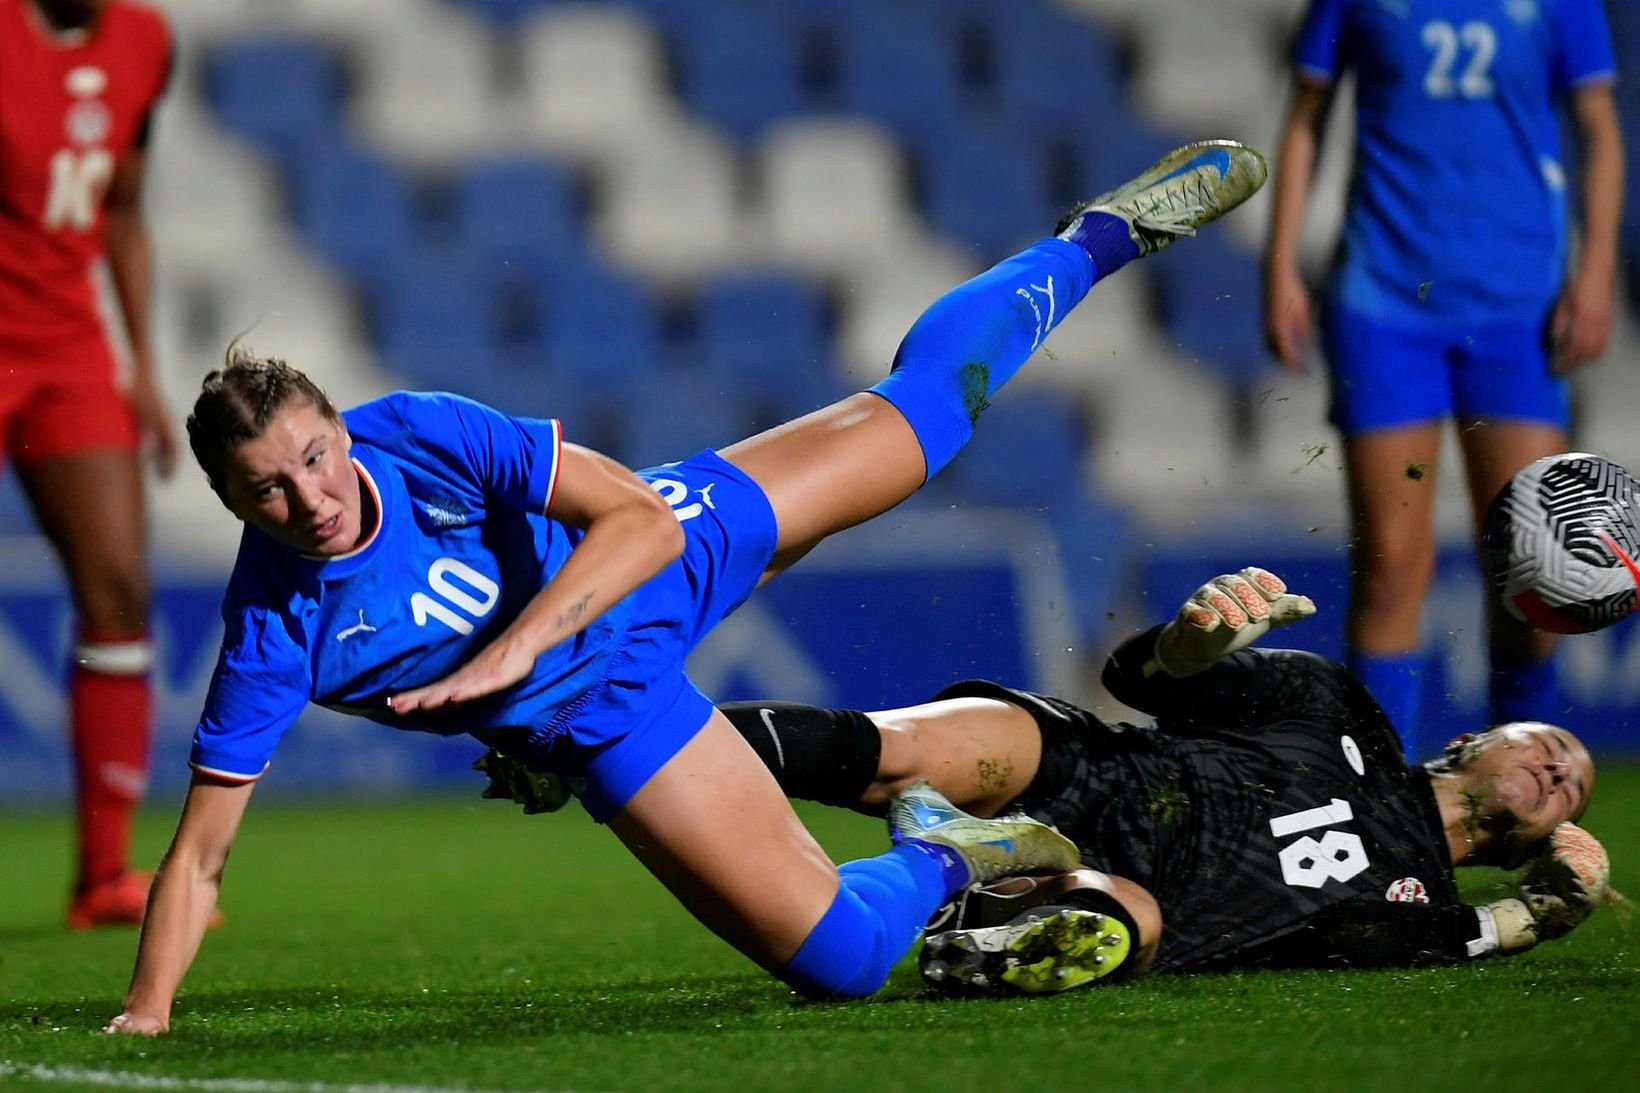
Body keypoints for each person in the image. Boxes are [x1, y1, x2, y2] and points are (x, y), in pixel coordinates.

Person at [102, 141, 1270, 1033]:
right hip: (602, 710)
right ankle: (951, 847)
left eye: (316, 457)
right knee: (847, 964)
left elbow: (636, 521)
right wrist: (146, 1013)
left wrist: (510, 657)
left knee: (925, 421)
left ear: (337, 429)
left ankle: (1094, 239)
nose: (310, 498)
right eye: (267, 491)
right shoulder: (270, 629)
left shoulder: (413, 434)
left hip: (653, 545)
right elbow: (202, 856)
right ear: (230, 504)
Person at [707, 568, 1610, 994]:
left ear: (1535, 841)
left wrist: (1537, 916)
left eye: (1573, 785)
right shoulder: (1333, 705)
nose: (1561, 766)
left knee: (1122, 919)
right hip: (1090, 769)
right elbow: (1141, 680)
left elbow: (1378, 943)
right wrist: (1191, 644)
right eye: (1548, 743)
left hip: (1122, 886)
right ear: (1468, 738)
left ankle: (977, 906)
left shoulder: (1425, 912)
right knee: (900, 748)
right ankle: (624, 744)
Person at [1260, 0, 1625, 759]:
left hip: (1518, 307)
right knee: (1393, 562)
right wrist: (1281, 261)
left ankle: (1521, 800)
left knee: (1537, 567)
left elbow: (1598, 124)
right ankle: (1384, 813)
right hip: (1384, 304)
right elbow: (1305, 116)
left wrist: (1595, 273)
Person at [0, 0, 177, 928]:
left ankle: (103, 874)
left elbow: (122, 206)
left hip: (66, 345)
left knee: (118, 587)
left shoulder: (144, 41)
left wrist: (142, 366)